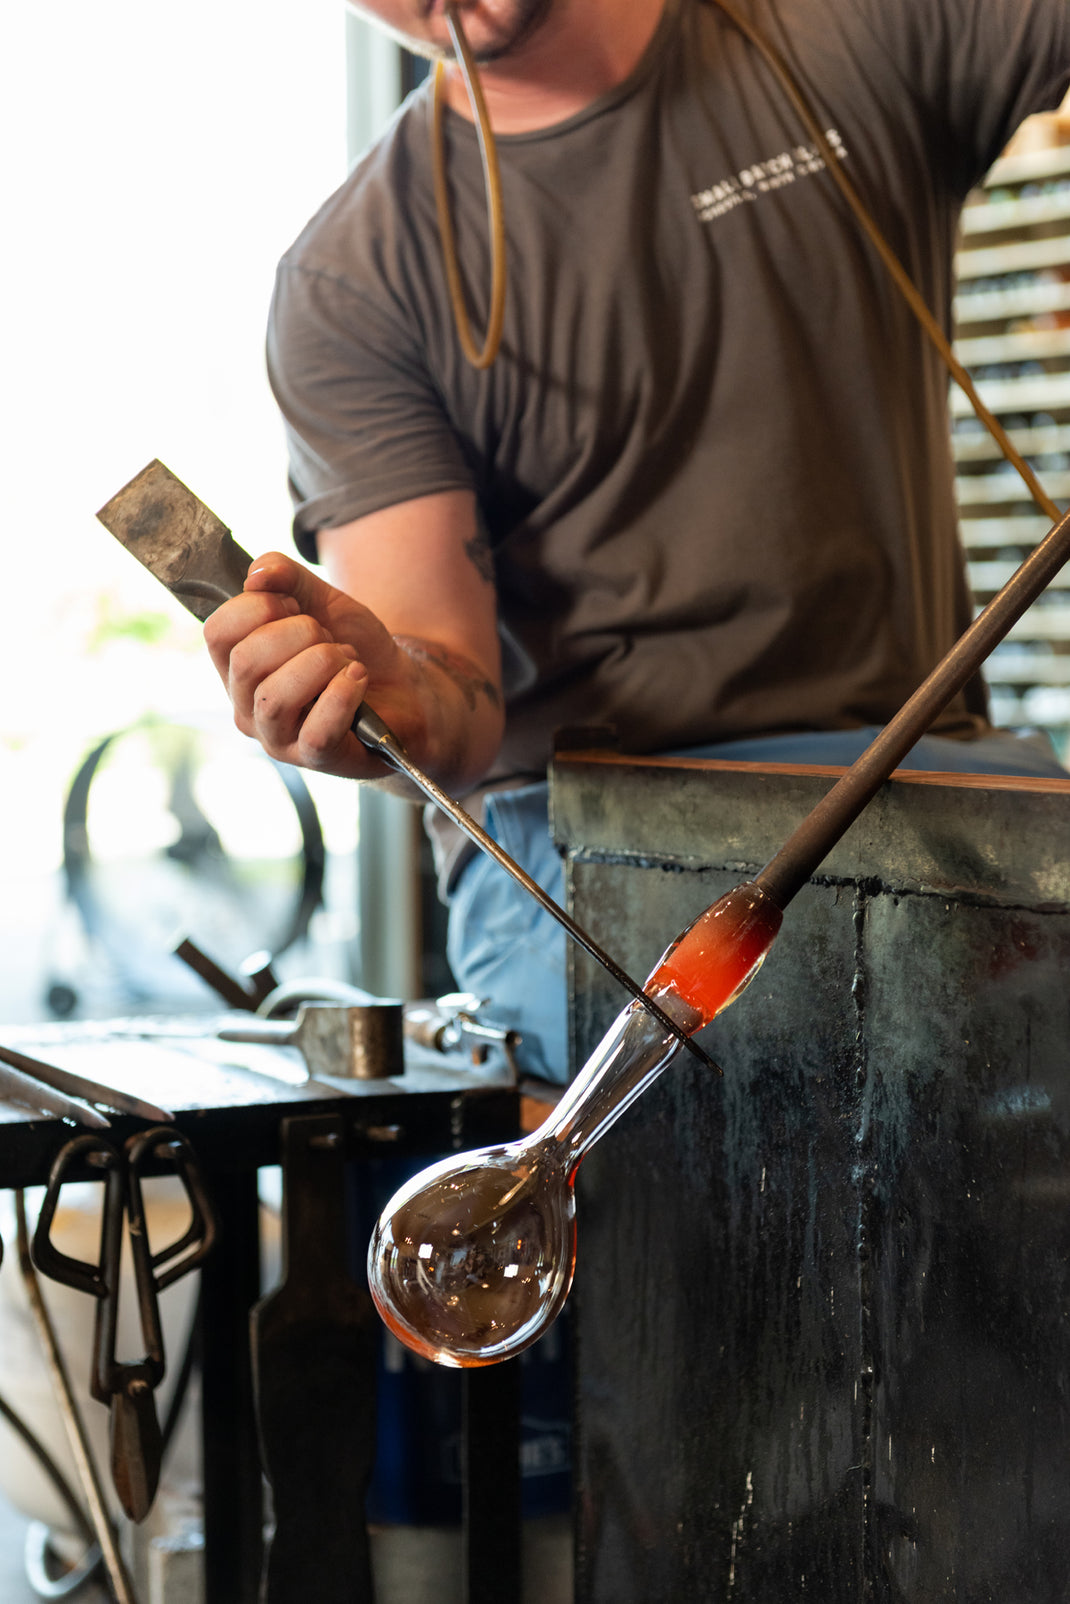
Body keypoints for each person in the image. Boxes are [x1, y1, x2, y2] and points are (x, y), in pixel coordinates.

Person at [205, 0, 1070, 1084]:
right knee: (788, 1083)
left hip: (912, 780)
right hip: (581, 839)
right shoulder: (358, 279)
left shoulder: (844, 30)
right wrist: (391, 700)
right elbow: (451, 690)